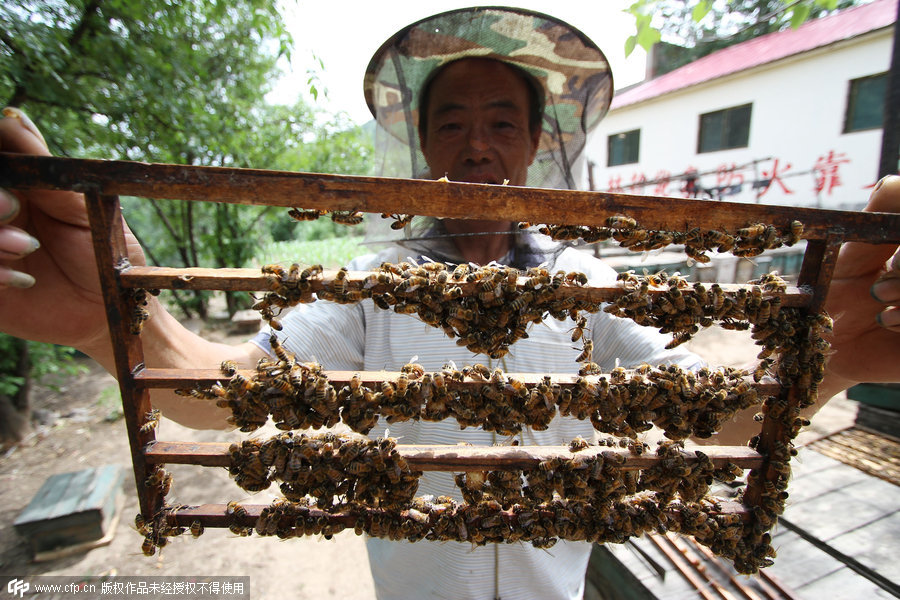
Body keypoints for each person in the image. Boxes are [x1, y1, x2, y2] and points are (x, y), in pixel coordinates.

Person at [0, 6, 897, 599]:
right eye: (453, 122)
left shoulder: (584, 288)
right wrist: (114, 324)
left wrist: (831, 358)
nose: (477, 145)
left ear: (537, 142)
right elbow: (229, 393)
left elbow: (714, 423)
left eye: (502, 121)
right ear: (423, 143)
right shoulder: (369, 289)